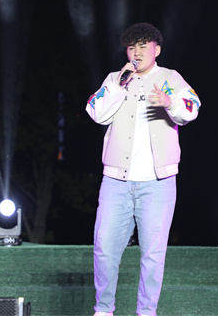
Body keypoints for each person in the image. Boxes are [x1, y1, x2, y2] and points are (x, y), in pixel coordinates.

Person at [86, 22, 201, 316]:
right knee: (104, 248)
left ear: (156, 50)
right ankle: (103, 310)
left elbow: (193, 107)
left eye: (143, 46)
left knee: (153, 254)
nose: (136, 53)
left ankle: (147, 312)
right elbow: (95, 112)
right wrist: (117, 86)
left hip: (158, 182)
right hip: (116, 181)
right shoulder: (115, 79)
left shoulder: (170, 78)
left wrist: (169, 101)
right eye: (131, 47)